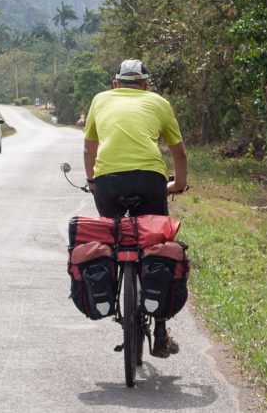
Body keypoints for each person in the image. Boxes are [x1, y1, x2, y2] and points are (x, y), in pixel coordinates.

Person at [82, 58, 188, 359]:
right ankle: (161, 332)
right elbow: (179, 154)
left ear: (115, 84)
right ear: (145, 85)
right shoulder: (158, 102)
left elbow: (89, 148)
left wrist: (92, 182)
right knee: (156, 245)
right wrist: (177, 184)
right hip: (150, 180)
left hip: (108, 181)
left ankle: (112, 290)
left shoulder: (100, 100)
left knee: (112, 238)